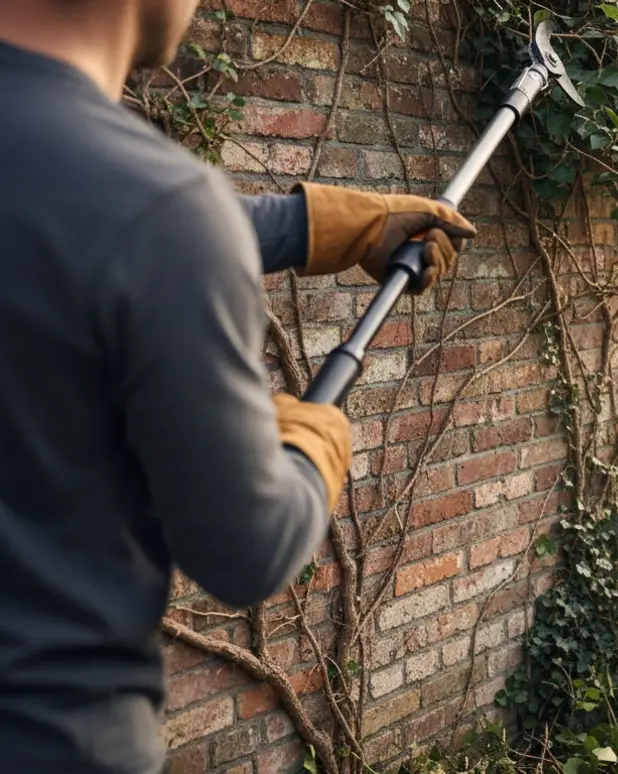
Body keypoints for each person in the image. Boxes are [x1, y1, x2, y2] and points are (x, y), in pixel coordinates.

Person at [0, 0, 476, 771]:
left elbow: (76, 217)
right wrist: (311, 437)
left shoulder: (124, 202)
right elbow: (246, 551)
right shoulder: (153, 205)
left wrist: (313, 224)